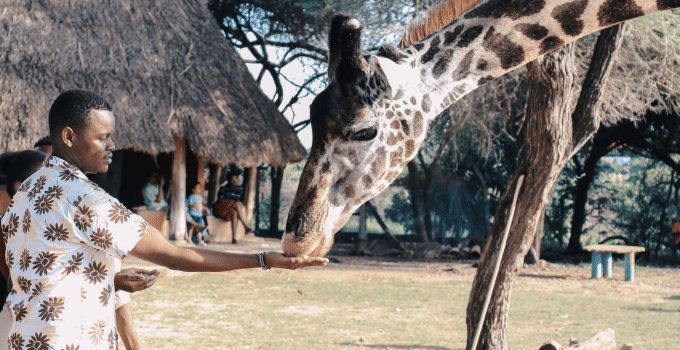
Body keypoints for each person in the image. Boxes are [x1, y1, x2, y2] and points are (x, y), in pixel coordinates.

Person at [0, 90, 326, 349]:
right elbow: (176, 256)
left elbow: (40, 269)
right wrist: (263, 259)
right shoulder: (83, 197)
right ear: (69, 137)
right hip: (70, 339)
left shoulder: (29, 189)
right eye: (102, 137)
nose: (112, 146)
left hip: (26, 335)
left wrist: (106, 281)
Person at [0, 150, 158, 350]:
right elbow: (23, 286)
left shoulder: (74, 224)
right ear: (21, 186)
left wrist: (113, 280)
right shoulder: (12, 228)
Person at [214, 173, 255, 244]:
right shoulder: (223, 189)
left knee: (235, 213)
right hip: (221, 210)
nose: (235, 180)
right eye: (233, 179)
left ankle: (234, 238)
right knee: (237, 204)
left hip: (229, 212)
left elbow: (240, 202)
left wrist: (234, 204)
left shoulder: (239, 189)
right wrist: (232, 203)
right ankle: (246, 226)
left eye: (236, 179)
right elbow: (220, 202)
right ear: (229, 180)